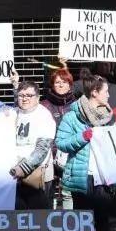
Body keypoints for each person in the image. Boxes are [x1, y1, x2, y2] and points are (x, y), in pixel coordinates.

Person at [56, 75, 116, 231]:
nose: (109, 96)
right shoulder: (72, 116)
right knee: (82, 221)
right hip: (82, 176)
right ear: (94, 93)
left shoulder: (110, 116)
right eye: (105, 92)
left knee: (103, 220)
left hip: (102, 177)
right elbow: (61, 142)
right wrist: (82, 137)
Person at [10, 81, 56, 211]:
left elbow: (42, 149)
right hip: (14, 175)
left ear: (37, 97)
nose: (25, 99)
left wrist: (23, 169)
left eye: (29, 95)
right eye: (21, 95)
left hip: (36, 176)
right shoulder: (13, 113)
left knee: (39, 219)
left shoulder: (44, 115)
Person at [41, 67, 77, 210]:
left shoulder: (77, 105)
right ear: (52, 85)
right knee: (48, 192)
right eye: (57, 82)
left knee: (68, 192)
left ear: (70, 84)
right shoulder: (44, 105)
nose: (61, 85)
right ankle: (49, 224)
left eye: (64, 82)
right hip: (49, 154)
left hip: (70, 154)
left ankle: (69, 225)